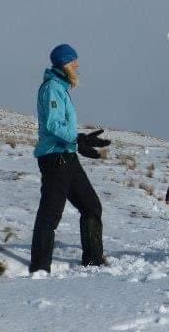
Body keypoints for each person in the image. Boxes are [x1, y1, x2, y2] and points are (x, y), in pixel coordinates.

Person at [29, 43, 111, 274]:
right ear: (64, 64)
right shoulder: (52, 88)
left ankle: (93, 262)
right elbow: (53, 124)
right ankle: (40, 268)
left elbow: (63, 125)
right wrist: (77, 140)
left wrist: (81, 139)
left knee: (91, 206)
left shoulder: (61, 88)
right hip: (55, 158)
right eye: (73, 60)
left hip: (66, 156)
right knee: (50, 214)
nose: (77, 65)